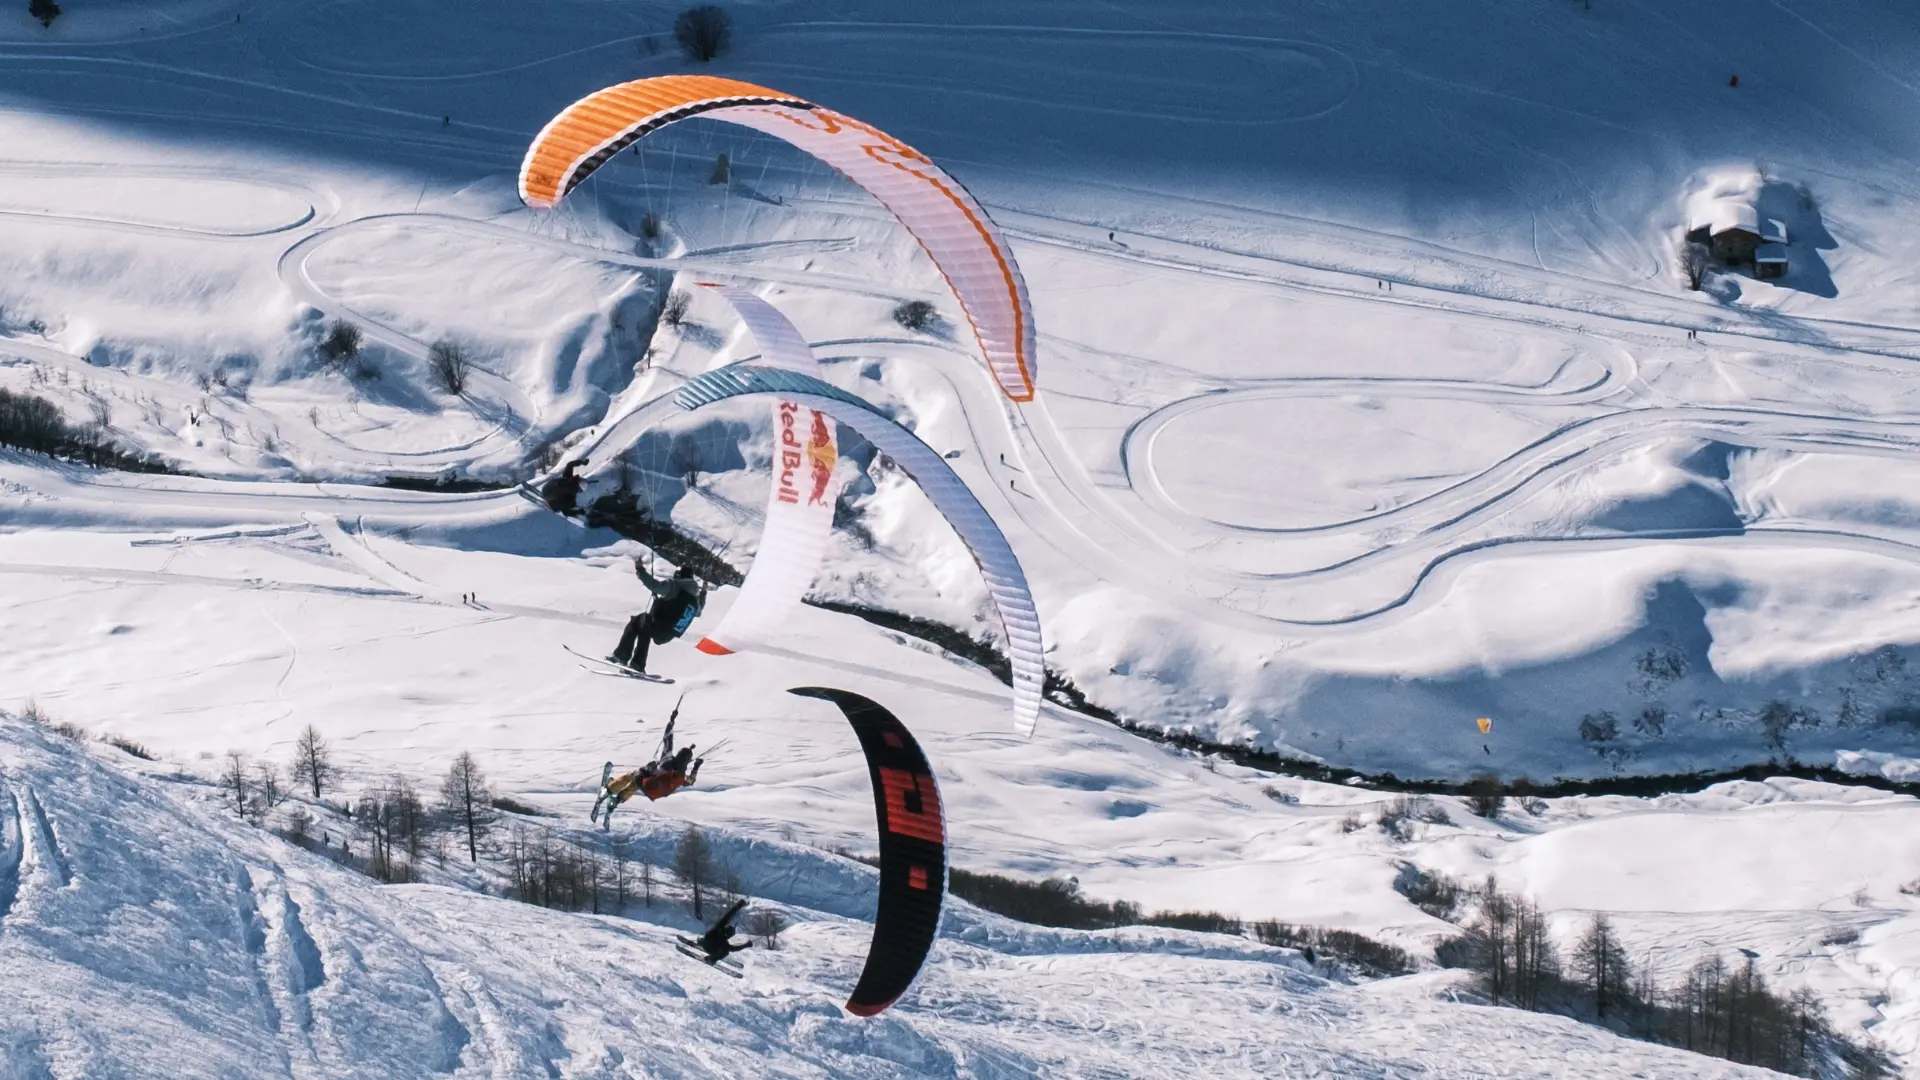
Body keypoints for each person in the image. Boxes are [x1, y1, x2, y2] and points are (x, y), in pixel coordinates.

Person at [607, 558, 706, 674]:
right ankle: (636, 664)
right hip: (669, 634)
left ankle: (623, 657)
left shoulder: (674, 585)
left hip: (660, 626)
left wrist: (640, 569)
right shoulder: (694, 600)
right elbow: (699, 611)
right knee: (645, 627)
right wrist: (703, 593)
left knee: (638, 621)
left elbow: (654, 585)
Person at [697, 899, 753, 964]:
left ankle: (700, 941)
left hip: (705, 943)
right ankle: (712, 959)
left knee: (710, 935)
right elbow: (735, 948)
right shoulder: (724, 943)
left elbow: (727, 916)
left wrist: (737, 906)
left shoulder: (720, 927)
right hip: (711, 949)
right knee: (725, 952)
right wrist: (746, 945)